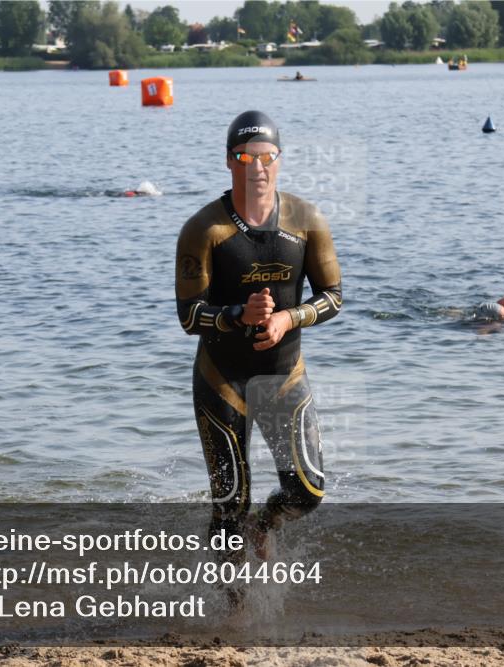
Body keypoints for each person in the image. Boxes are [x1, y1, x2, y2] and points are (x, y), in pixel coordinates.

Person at [175, 110, 342, 560]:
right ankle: (235, 612)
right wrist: (238, 314)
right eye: (247, 159)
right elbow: (189, 317)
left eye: (267, 157)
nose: (259, 167)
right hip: (221, 379)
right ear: (230, 162)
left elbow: (334, 296)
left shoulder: (307, 220)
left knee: (308, 491)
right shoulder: (204, 229)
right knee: (231, 503)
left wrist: (289, 318)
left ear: (280, 160)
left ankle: (264, 527)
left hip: (283, 374)